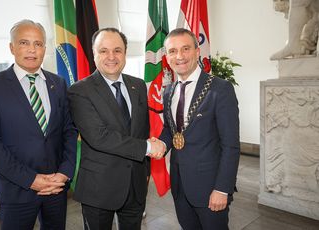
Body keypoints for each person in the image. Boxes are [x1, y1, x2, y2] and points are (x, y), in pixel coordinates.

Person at [0, 19, 77, 229]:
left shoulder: (57, 83)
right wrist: (31, 179)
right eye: (24, 42)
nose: (32, 50)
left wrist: (65, 173)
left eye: (38, 44)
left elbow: (68, 131)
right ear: (12, 47)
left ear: (44, 49)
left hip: (56, 187)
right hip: (17, 190)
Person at [68, 27, 165, 230]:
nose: (111, 56)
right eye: (103, 51)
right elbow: (99, 137)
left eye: (117, 50)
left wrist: (145, 171)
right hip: (99, 187)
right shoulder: (79, 90)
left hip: (135, 186)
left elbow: (142, 130)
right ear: (94, 54)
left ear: (125, 53)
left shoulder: (138, 85)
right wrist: (147, 148)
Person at [158, 28, 240, 230]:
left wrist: (222, 188)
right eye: (172, 51)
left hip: (211, 187)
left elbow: (231, 145)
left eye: (185, 48)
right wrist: (161, 142)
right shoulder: (168, 91)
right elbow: (172, 130)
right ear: (167, 58)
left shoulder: (220, 89)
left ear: (197, 52)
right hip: (180, 186)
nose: (179, 56)